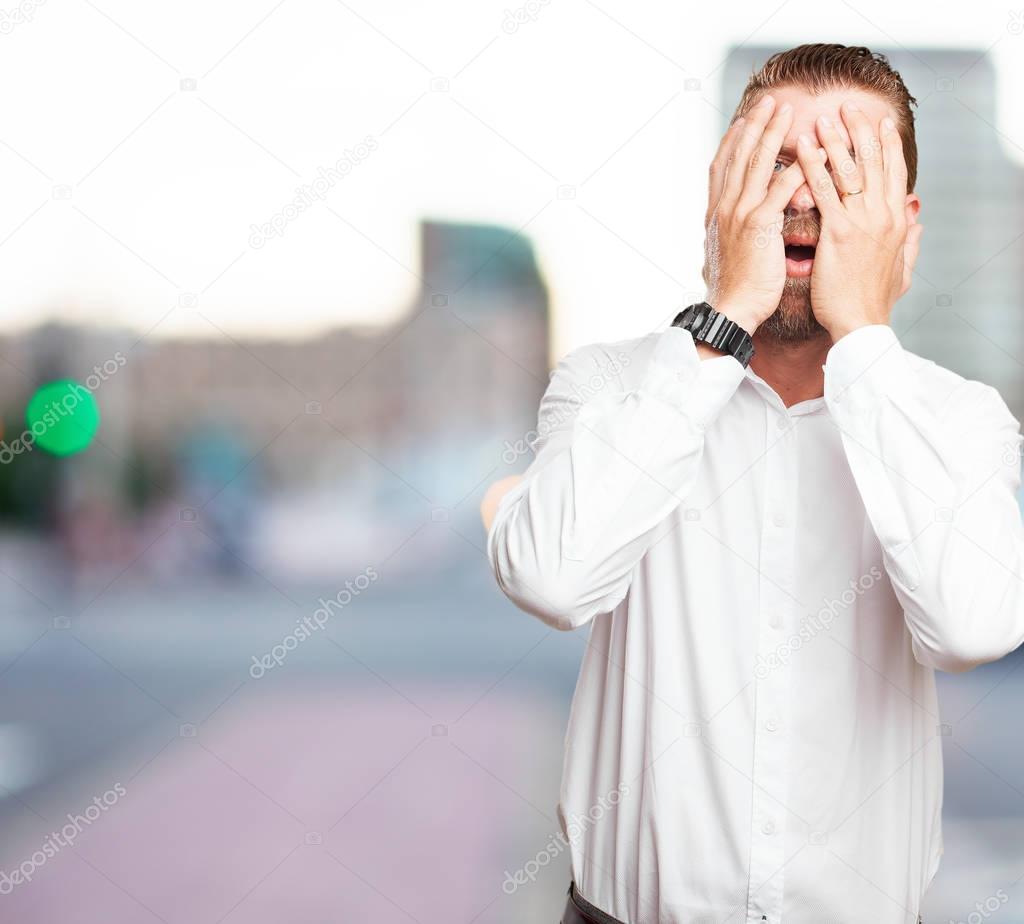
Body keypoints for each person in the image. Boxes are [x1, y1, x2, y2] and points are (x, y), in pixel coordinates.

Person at [485, 43, 1024, 924]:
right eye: (776, 163)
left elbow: (971, 626)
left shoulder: (958, 419)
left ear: (904, 223)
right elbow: (553, 578)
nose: (806, 193)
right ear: (721, 195)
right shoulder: (610, 386)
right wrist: (725, 311)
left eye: (846, 168)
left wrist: (863, 339)